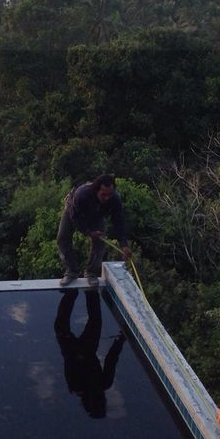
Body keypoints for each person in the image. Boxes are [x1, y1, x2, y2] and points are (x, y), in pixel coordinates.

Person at [53, 289, 125, 419]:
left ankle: (79, 293)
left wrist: (119, 342)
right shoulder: (95, 385)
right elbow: (111, 360)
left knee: (66, 325)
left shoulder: (82, 386)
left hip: (77, 351)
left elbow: (111, 359)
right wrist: (120, 341)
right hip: (84, 350)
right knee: (93, 321)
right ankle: (86, 292)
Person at [56, 173, 130, 287]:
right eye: (103, 194)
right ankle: (72, 271)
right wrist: (88, 233)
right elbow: (75, 218)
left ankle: (91, 272)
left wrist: (124, 244)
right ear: (96, 190)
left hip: (96, 215)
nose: (107, 198)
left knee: (99, 243)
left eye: (109, 195)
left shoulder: (115, 199)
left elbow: (118, 221)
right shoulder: (82, 194)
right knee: (62, 238)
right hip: (74, 212)